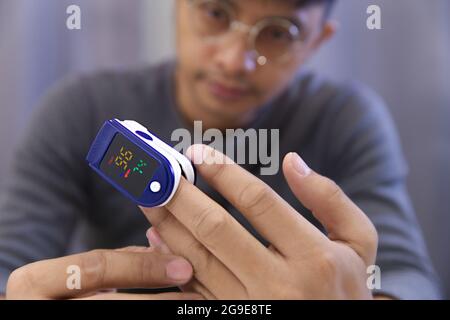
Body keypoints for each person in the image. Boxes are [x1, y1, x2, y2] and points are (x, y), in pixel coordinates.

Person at [0, 0, 441, 299]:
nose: (235, 59)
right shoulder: (80, 107)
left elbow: (407, 275)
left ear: (316, 42)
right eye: (215, 12)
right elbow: (9, 261)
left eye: (278, 34)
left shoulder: (347, 116)